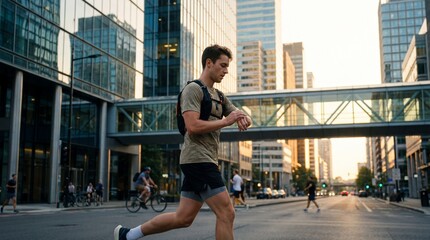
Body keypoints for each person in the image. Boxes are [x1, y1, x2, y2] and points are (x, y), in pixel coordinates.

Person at [114, 44, 252, 240]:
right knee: (227, 212)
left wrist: (244, 118)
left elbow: (237, 114)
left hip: (204, 160)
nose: (226, 71)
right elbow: (192, 126)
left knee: (183, 218)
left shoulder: (219, 96)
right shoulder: (193, 90)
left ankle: (127, 235)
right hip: (198, 159)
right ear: (209, 63)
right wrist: (226, 121)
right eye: (222, 65)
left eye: (227, 66)